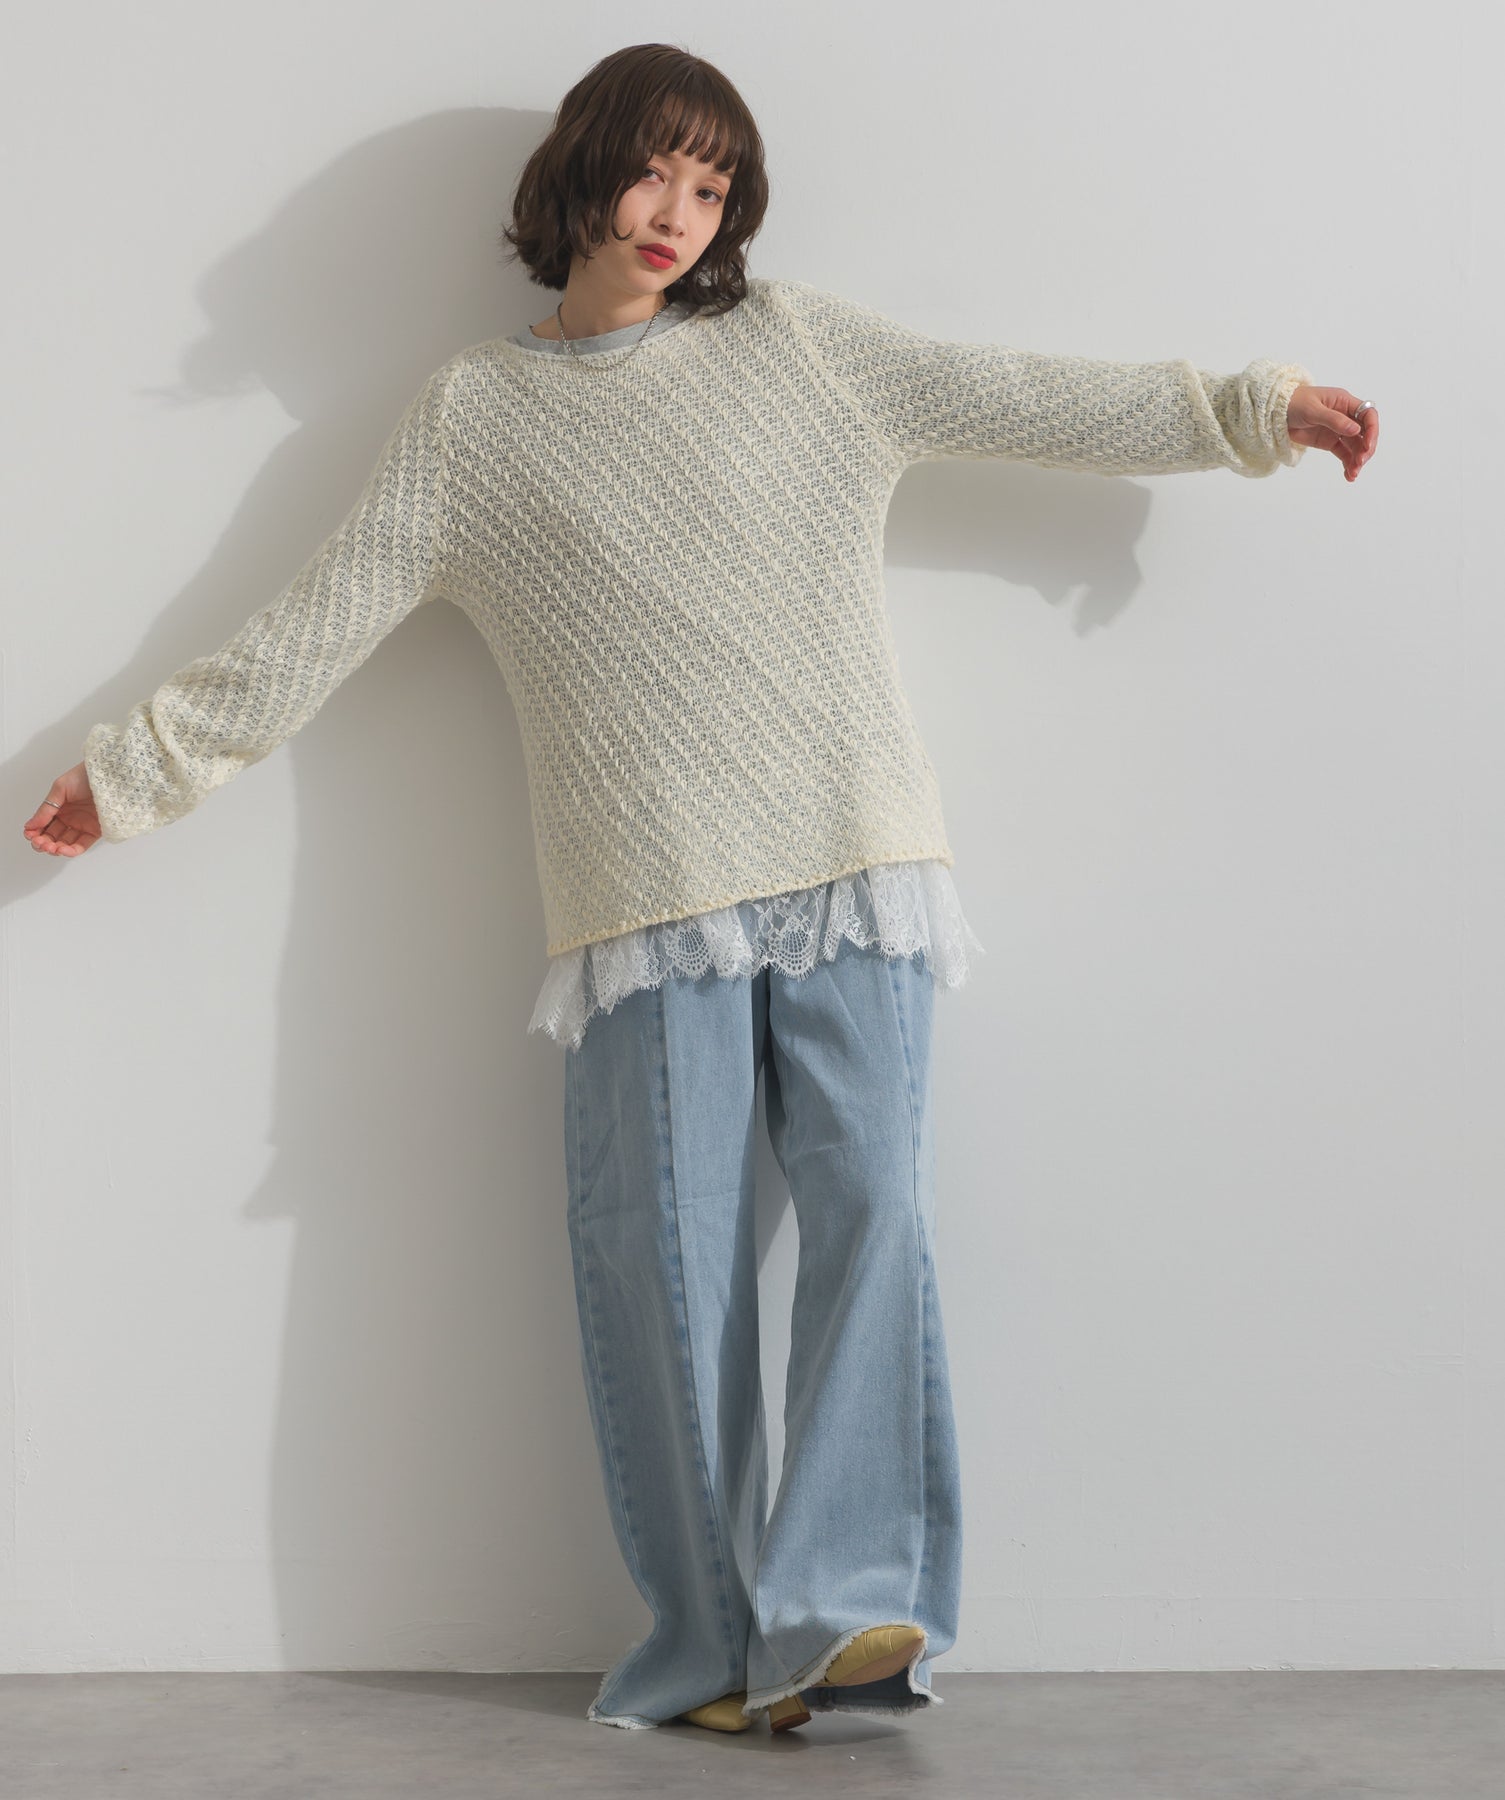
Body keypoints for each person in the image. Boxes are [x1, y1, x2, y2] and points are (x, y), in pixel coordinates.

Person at [22, 40, 1379, 1738]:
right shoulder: (471, 417)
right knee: (659, 1268)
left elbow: (1016, 394)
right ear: (581, 172)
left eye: (714, 185)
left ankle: (842, 1610)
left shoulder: (798, 346)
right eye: (656, 170)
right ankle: (712, 1650)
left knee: (874, 1214)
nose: (678, 212)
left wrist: (1246, 411)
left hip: (854, 858)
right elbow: (322, 617)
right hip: (644, 893)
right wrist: (137, 768)